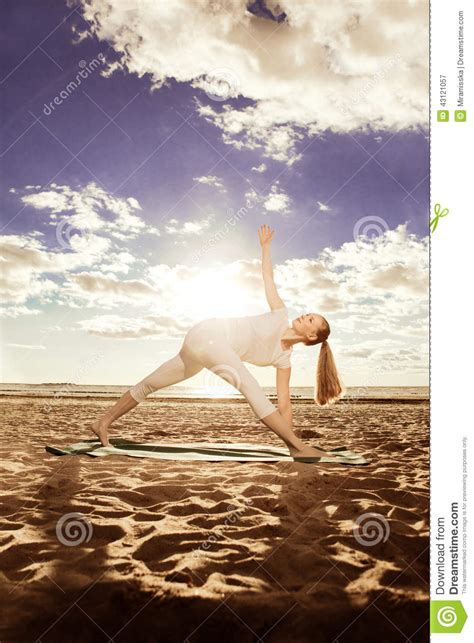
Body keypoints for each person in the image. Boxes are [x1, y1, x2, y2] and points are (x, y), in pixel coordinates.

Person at [91, 225, 344, 460]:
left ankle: (102, 422)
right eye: (308, 314)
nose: (304, 315)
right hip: (208, 333)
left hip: (204, 352)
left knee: (149, 384)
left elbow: (285, 405)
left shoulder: (284, 360)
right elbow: (268, 277)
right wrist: (265, 247)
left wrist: (288, 440)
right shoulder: (280, 314)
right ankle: (299, 449)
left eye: (310, 319)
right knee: (249, 385)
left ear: (311, 336)